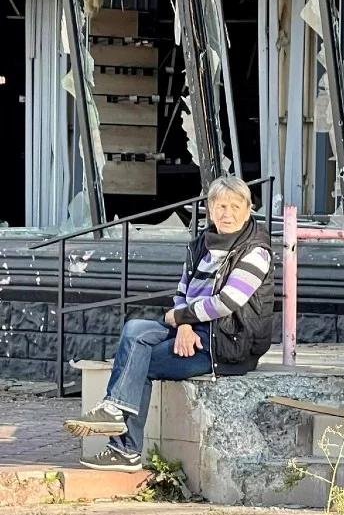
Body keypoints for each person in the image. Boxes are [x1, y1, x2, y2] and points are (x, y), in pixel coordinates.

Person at [64, 176, 275, 472]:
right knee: (136, 329)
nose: (227, 213)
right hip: (191, 327)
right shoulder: (201, 244)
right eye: (220, 206)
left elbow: (227, 302)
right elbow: (182, 292)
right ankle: (113, 410)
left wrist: (181, 318)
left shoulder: (255, 251)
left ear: (249, 209)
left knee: (142, 362)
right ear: (209, 210)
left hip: (226, 342)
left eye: (235, 206)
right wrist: (185, 326)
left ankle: (125, 448)